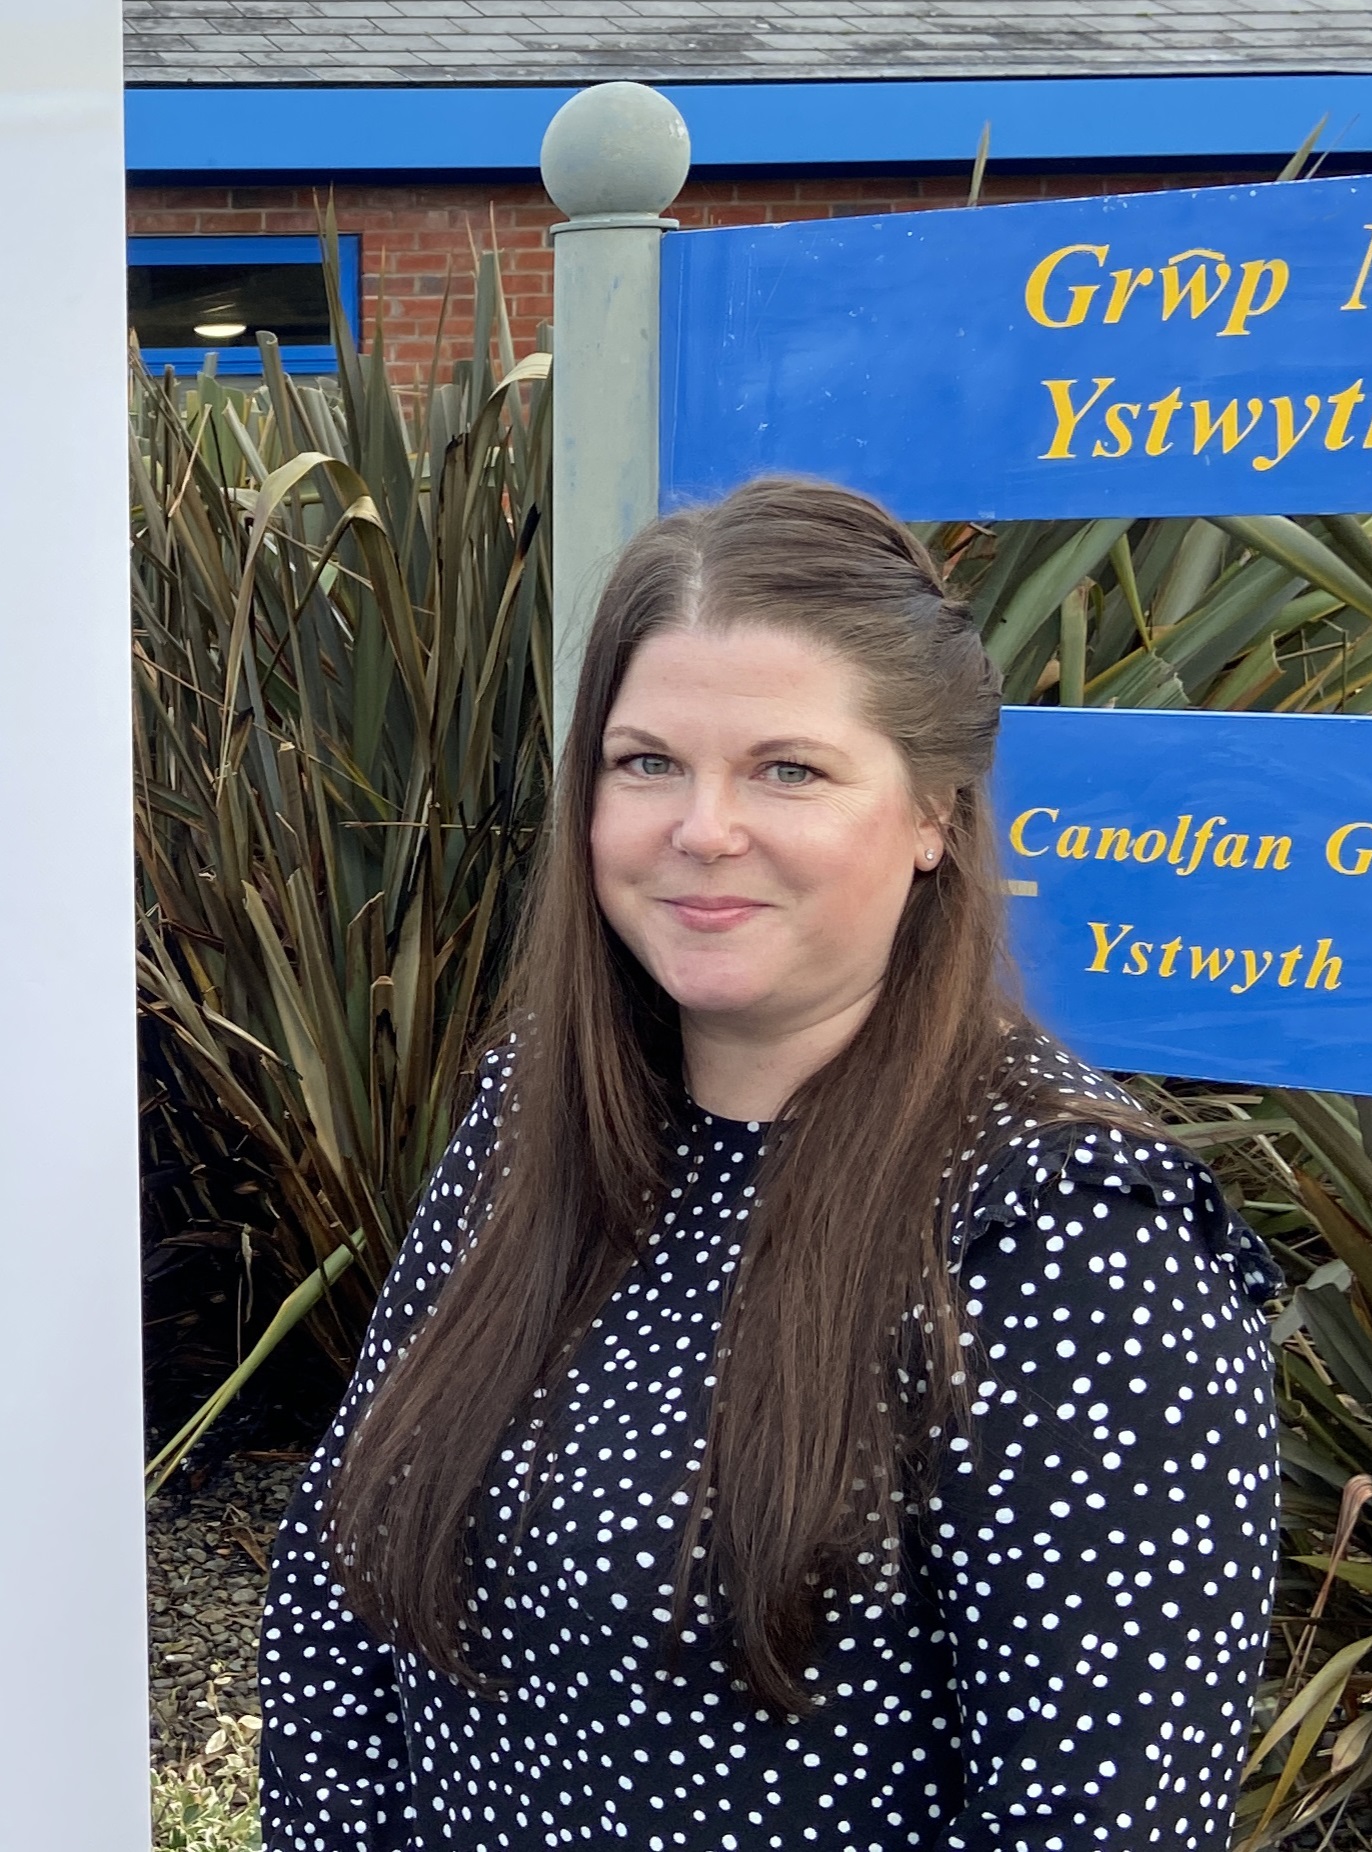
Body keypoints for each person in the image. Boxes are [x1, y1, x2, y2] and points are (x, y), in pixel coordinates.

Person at [255, 478, 1280, 1850]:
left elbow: (1096, 1821)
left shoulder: (1066, 1239)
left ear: (930, 814)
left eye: (785, 769)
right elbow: (335, 1608)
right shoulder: (531, 1121)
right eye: (646, 763)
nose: (701, 829)